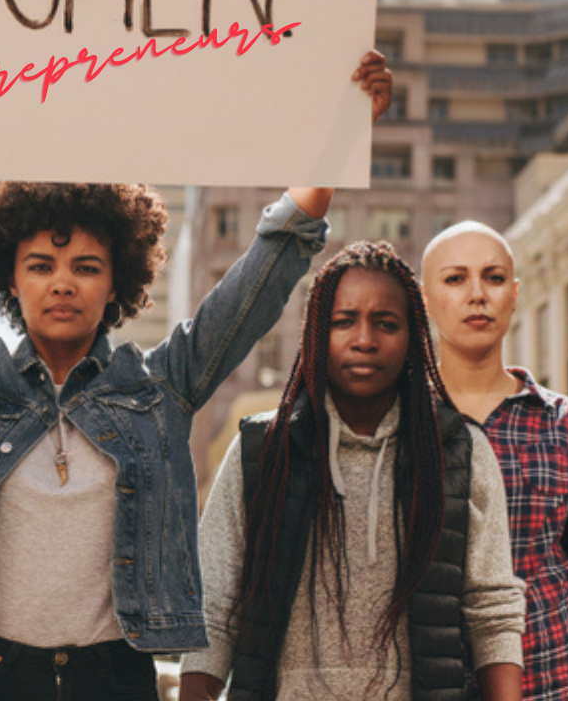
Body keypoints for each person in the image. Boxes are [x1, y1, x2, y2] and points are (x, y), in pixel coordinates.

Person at [0, 16, 393, 701]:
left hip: (114, 679)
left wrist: (342, 131)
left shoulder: (164, 389)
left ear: (116, 282)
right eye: (41, 265)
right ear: (10, 278)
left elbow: (269, 267)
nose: (63, 282)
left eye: (86, 266)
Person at [180, 242, 526, 701]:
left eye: (386, 324)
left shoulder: (460, 453)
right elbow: (215, 606)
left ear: (413, 337)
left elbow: (493, 612)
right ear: (316, 334)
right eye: (344, 322)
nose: (365, 339)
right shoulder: (264, 452)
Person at [421, 221, 568, 701]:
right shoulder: (400, 423)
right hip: (432, 682)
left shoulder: (567, 424)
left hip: (554, 681)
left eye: (493, 278)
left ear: (514, 295)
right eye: (455, 279)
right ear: (425, 299)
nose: (478, 294)